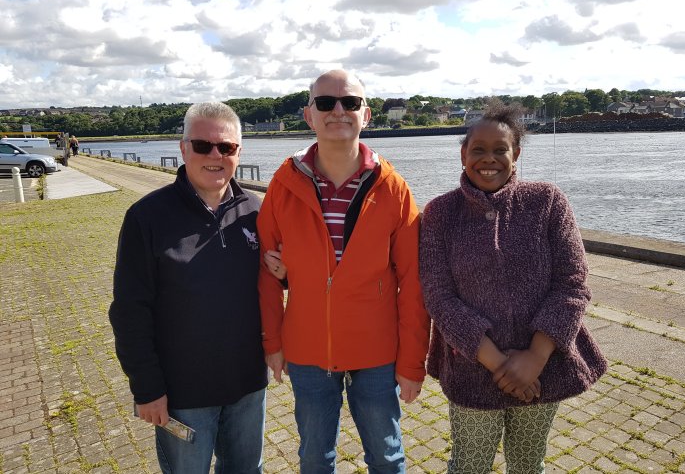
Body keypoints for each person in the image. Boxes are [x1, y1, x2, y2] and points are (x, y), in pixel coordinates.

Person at [419, 104, 608, 473]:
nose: (488, 159)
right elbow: (438, 297)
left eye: (499, 149)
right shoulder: (441, 213)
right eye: (478, 149)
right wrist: (502, 366)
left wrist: (535, 358)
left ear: (515, 154)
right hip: (472, 372)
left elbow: (572, 282)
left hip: (542, 371)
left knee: (527, 465)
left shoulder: (546, 201)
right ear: (463, 154)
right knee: (469, 466)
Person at [257, 69, 430, 473]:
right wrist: (272, 342)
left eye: (349, 102)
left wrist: (412, 362)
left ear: (365, 115)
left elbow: (414, 282)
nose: (338, 110)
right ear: (309, 115)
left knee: (387, 458)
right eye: (325, 103)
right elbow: (266, 274)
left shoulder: (393, 188)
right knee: (315, 458)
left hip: (377, 350)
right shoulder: (284, 186)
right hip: (308, 348)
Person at [109, 102, 280, 473]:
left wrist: (285, 274)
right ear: (183, 148)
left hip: (248, 385)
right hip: (183, 394)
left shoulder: (257, 210)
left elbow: (273, 283)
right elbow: (129, 311)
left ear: (239, 152)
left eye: (226, 147)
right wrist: (147, 389)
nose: (215, 155)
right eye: (202, 146)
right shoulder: (146, 217)